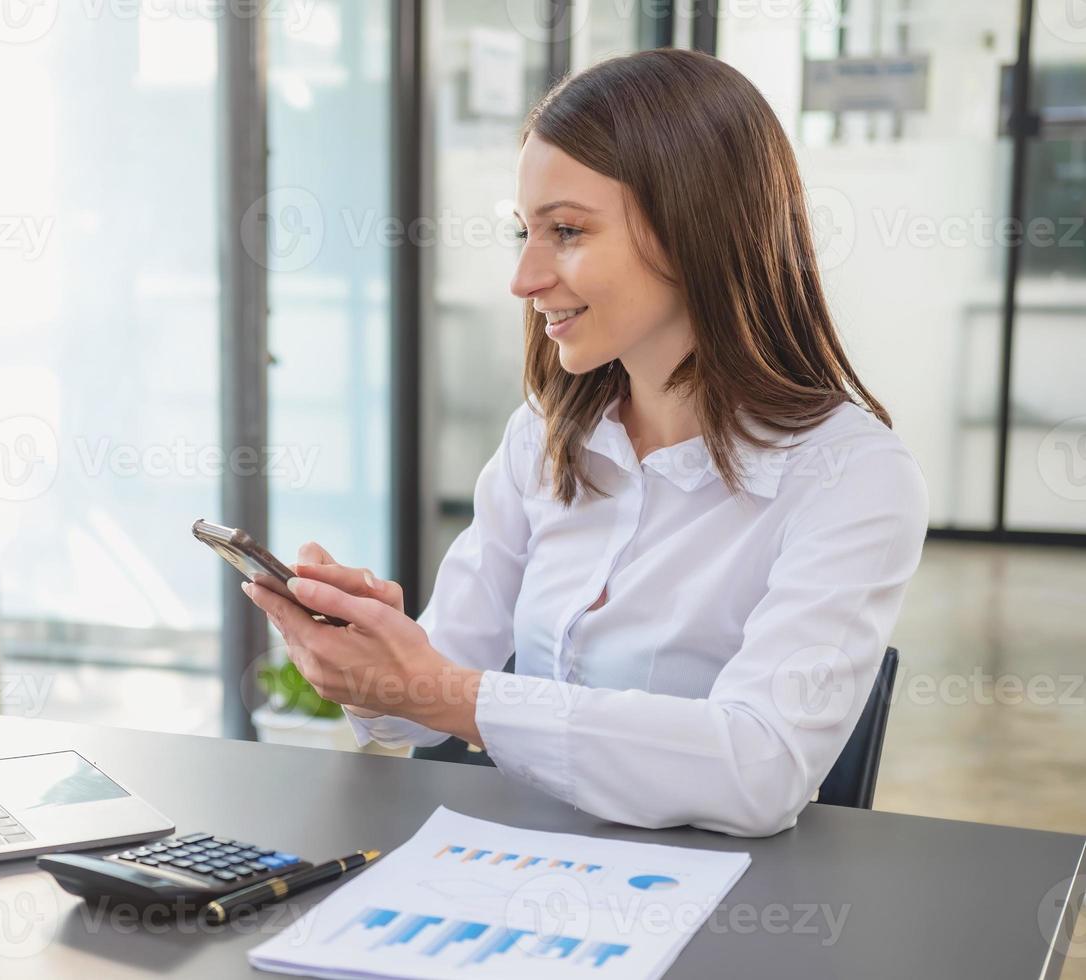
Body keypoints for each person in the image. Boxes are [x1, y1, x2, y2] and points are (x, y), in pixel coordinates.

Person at [243, 49, 928, 838]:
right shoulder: (543, 436)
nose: (524, 278)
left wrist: (443, 692)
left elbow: (760, 768)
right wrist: (375, 663)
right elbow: (416, 718)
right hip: (524, 876)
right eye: (524, 232)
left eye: (566, 231)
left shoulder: (852, 476)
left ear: (696, 230)